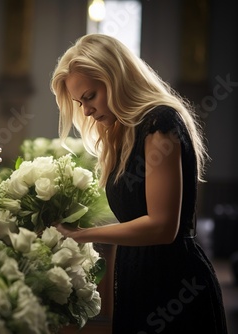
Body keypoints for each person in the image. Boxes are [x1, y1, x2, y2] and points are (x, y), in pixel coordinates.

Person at [50, 34, 228, 333]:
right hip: (136, 276)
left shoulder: (159, 123)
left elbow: (162, 226)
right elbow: (132, 221)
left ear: (116, 78)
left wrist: (80, 235)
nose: (86, 111)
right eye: (79, 102)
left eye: (90, 96)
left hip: (175, 284)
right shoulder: (122, 133)